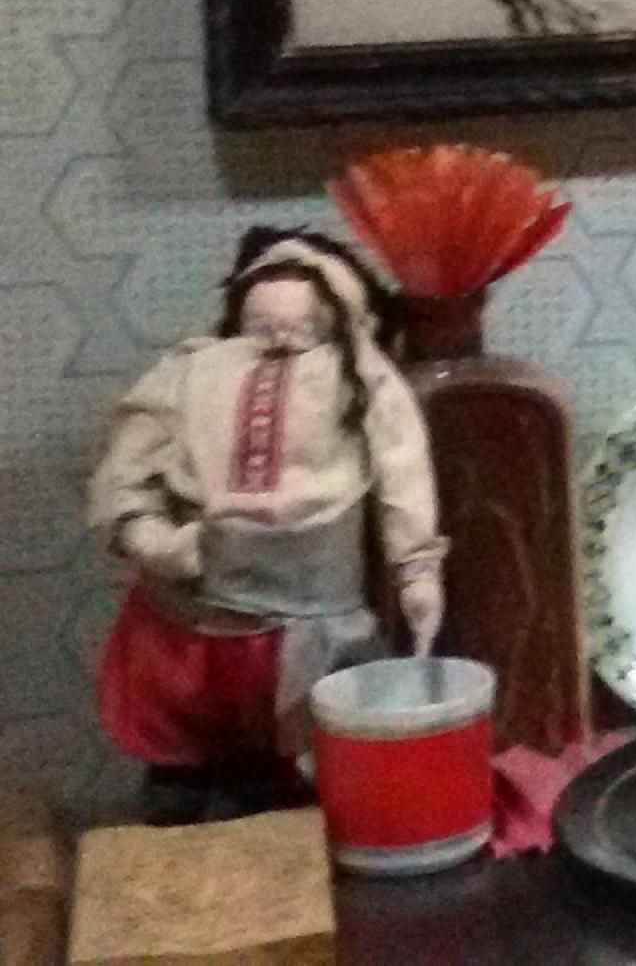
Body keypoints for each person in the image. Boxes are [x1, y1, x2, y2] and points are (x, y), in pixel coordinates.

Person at [88, 229, 445, 824]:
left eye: (300, 325)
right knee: (182, 756)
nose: (280, 340)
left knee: (295, 759)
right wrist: (148, 536)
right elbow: (127, 469)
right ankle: (183, 803)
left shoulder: (363, 378)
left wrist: (417, 567)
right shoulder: (192, 369)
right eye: (263, 322)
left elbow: (404, 473)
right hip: (191, 604)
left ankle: (276, 805)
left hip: (309, 604)